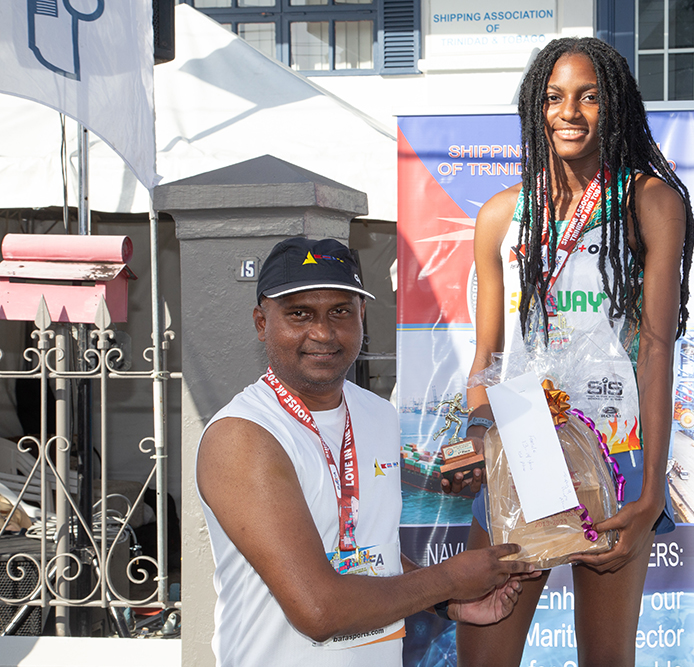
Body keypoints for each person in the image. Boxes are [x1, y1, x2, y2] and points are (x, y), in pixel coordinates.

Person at [443, 37, 694, 666]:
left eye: (589, 97)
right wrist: (475, 438)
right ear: (537, 107)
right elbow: (487, 356)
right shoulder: (501, 215)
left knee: (606, 657)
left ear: (615, 106)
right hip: (520, 449)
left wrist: (652, 494)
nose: (569, 112)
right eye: (554, 97)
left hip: (614, 451)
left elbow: (656, 352)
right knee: (483, 657)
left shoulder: (650, 202)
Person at [197, 237, 535, 667]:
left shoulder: (377, 413)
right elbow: (319, 611)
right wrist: (448, 579)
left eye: (340, 312)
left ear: (362, 316)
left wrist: (446, 602)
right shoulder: (243, 435)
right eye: (300, 314)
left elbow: (373, 555)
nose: (323, 332)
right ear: (262, 323)